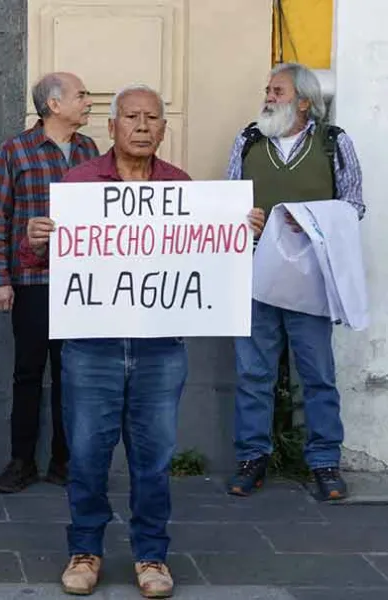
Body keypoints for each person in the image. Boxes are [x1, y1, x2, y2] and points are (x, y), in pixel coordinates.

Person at [24, 85, 265, 598]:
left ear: (162, 128)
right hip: (92, 347)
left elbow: (208, 257)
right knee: (87, 455)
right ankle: (84, 550)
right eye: (130, 116)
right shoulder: (80, 184)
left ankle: (151, 554)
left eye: (151, 118)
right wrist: (38, 241)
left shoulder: (182, 189)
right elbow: (50, 264)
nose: (141, 125)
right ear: (110, 128)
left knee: (154, 458)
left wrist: (240, 232)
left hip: (160, 348)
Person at [224, 63, 364, 501]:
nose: (268, 97)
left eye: (277, 90)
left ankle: (324, 461)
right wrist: (243, 216)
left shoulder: (333, 142)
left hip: (311, 277)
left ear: (304, 101)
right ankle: (252, 459)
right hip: (255, 274)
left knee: (317, 373)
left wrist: (314, 221)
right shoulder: (249, 140)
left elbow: (354, 205)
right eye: (267, 89)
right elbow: (229, 200)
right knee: (253, 373)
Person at [0, 72, 98, 494]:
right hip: (32, 280)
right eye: (81, 94)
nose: (88, 101)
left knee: (74, 375)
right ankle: (21, 462)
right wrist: (0, 279)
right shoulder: (16, 150)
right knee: (28, 374)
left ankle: (65, 461)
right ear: (54, 104)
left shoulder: (89, 150)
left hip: (80, 281)